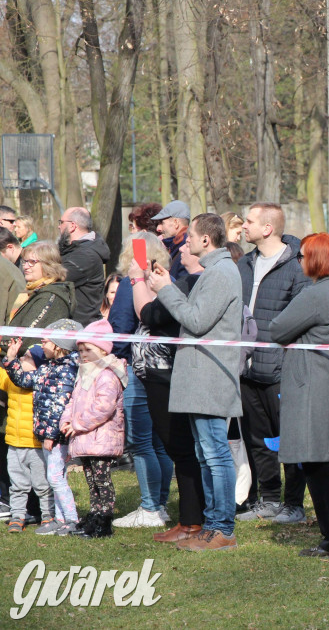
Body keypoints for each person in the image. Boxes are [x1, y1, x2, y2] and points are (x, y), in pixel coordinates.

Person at [147, 213, 243, 551]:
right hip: (201, 377)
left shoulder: (220, 272)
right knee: (206, 455)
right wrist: (168, 287)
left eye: (190, 239)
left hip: (211, 378)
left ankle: (223, 529)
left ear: (206, 240)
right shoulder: (215, 272)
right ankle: (213, 525)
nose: (185, 244)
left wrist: (166, 290)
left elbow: (196, 320)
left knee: (215, 455)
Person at [269, 234, 329, 559]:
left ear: (316, 260)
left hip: (316, 390)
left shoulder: (316, 294)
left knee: (322, 467)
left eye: (303, 257)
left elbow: (278, 329)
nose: (299, 262)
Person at [236, 203, 310, 524]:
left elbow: (300, 319)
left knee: (288, 439)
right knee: (258, 439)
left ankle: (293, 504)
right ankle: (268, 498)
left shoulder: (296, 267)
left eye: (249, 221)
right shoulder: (245, 264)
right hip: (247, 369)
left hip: (280, 370)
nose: (242, 226)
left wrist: (282, 358)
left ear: (267, 228)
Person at [130, 234, 207, 544]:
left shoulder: (190, 284)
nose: (180, 250)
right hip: (157, 377)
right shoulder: (184, 281)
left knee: (182, 449)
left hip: (167, 375)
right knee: (179, 449)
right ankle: (188, 519)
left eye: (187, 246)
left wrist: (138, 279)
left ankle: (192, 521)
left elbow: (149, 315)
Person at [108, 233, 172, 530]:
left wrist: (117, 357)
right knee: (160, 442)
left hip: (139, 367)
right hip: (166, 367)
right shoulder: (166, 282)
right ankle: (160, 506)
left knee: (142, 442)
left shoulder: (130, 284)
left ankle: (150, 507)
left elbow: (120, 326)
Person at [3, 320, 80, 535]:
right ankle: (60, 518)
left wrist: (51, 435)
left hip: (55, 437)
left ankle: (71, 520)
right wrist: (10, 358)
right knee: (55, 477)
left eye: (45, 340)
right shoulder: (48, 368)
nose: (41, 343)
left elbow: (58, 407)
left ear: (58, 344)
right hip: (47, 436)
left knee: (55, 478)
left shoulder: (67, 370)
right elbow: (23, 379)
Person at [61, 319, 128, 539]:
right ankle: (94, 515)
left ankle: (104, 520)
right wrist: (66, 421)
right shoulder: (84, 374)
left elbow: (103, 408)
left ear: (102, 349)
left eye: (88, 349)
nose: (83, 353)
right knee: (91, 481)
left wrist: (77, 424)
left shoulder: (107, 375)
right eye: (80, 349)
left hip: (101, 439)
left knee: (102, 480)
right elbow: (72, 402)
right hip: (87, 439)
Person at [2, 338, 51, 534]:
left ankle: (48, 515)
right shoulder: (11, 380)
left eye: (27, 357)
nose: (22, 358)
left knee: (43, 485)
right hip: (14, 444)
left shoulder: (43, 383)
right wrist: (9, 355)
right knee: (18, 485)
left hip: (36, 445)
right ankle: (17, 516)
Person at [7, 241, 76, 355]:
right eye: (25, 261)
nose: (25, 266)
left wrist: (2, 342)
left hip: (29, 364)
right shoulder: (31, 291)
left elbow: (26, 339)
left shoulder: (51, 297)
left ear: (49, 265)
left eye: (32, 262)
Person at [58, 207, 110, 325]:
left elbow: (55, 278)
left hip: (80, 328)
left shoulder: (86, 256)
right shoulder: (75, 250)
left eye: (61, 222)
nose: (59, 226)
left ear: (72, 226)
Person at [151, 200, 191, 281]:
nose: (158, 228)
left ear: (176, 223)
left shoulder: (187, 248)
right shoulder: (177, 245)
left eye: (162, 223)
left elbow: (183, 287)